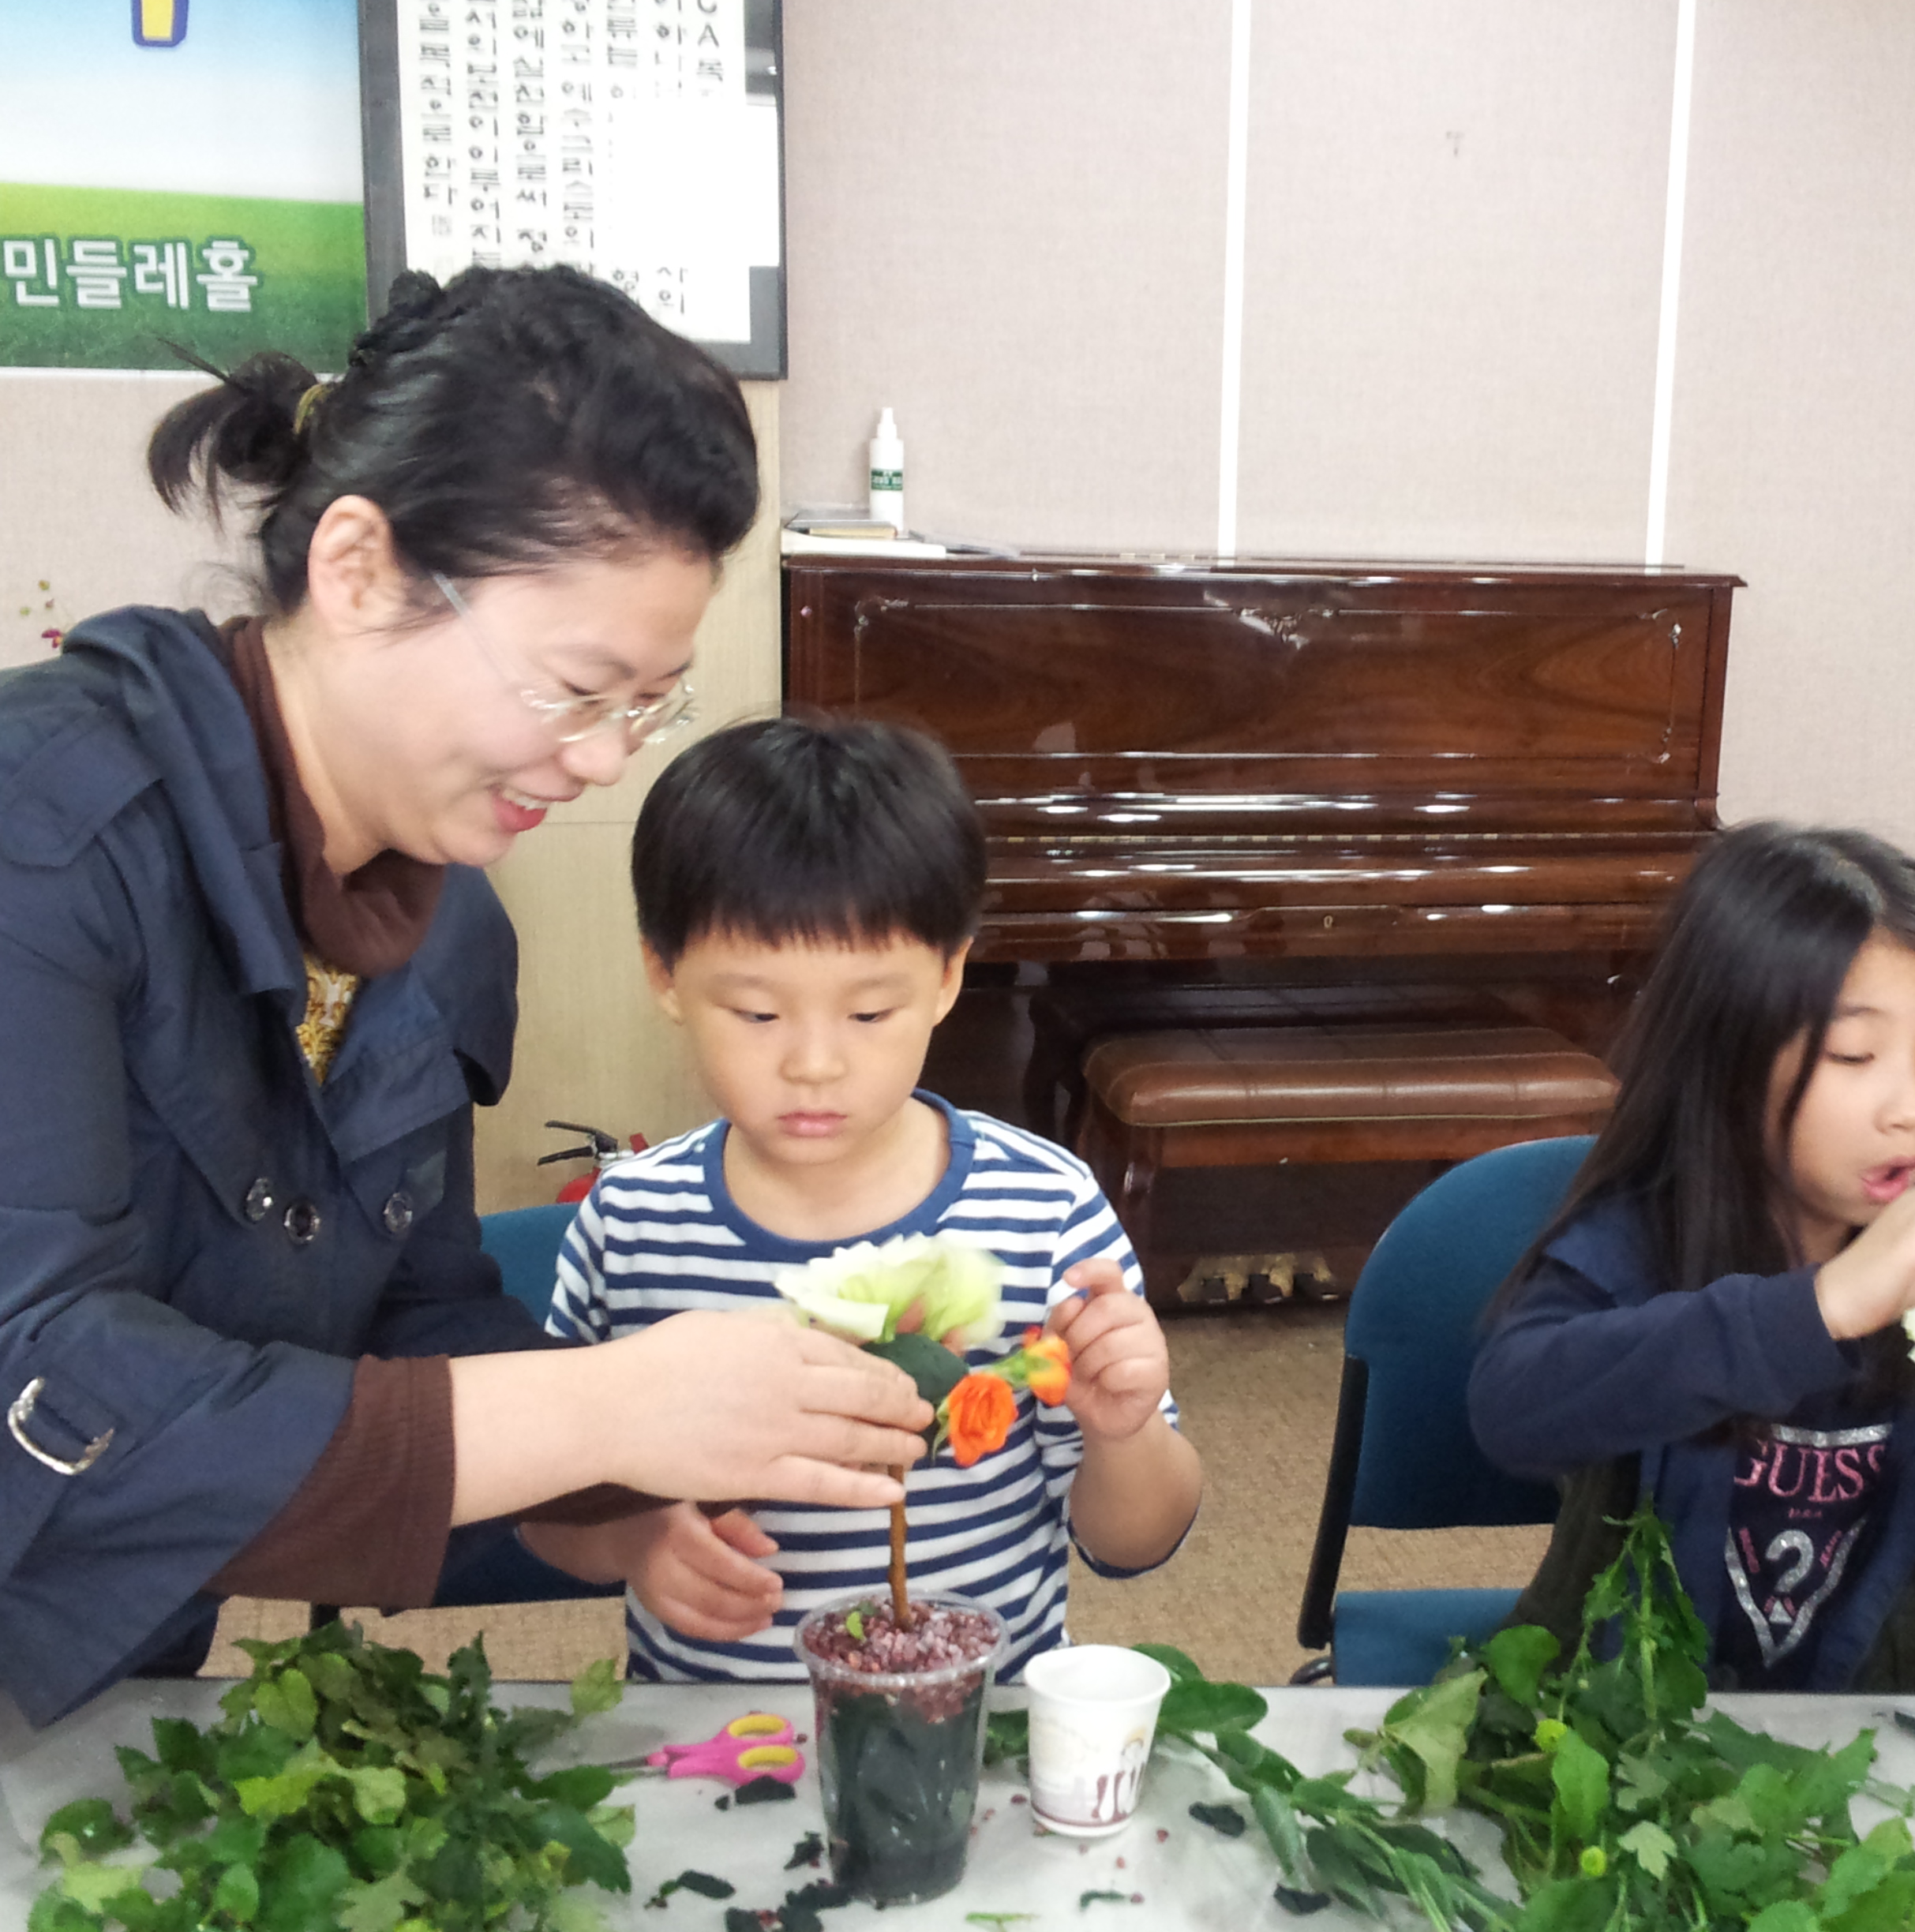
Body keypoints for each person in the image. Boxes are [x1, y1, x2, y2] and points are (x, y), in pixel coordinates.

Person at [0, 268, 938, 1726]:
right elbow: (39, 1385)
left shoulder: (445, 933)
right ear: (359, 570)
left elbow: (411, 1316)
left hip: (99, 1683)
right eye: (574, 687)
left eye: (646, 702)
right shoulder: (42, 841)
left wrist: (618, 1489)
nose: (603, 757)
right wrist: (606, 1406)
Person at [531, 717, 1203, 1681]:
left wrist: (1122, 1430)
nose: (814, 1063)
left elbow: (1136, 1542)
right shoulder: (631, 1223)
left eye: (869, 1012)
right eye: (758, 1013)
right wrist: (632, 1542)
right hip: (715, 1734)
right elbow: (550, 1511)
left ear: (948, 977)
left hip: (974, 1733)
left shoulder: (1043, 1210)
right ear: (664, 977)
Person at [1468, 823, 1915, 1689]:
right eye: (1854, 1055)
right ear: (1726, 1056)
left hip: (1882, 1734)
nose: (1913, 1108)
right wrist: (1822, 1306)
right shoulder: (1635, 1239)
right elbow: (1512, 1412)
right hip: (1610, 1714)